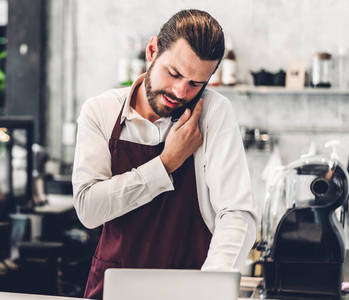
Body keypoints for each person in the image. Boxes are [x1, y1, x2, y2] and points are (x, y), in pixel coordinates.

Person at [72, 9, 258, 299]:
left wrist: (212, 288)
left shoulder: (214, 113)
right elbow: (89, 209)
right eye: (174, 73)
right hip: (115, 287)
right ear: (151, 51)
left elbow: (236, 212)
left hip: (189, 289)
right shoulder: (101, 111)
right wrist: (165, 164)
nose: (181, 92)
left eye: (196, 83)